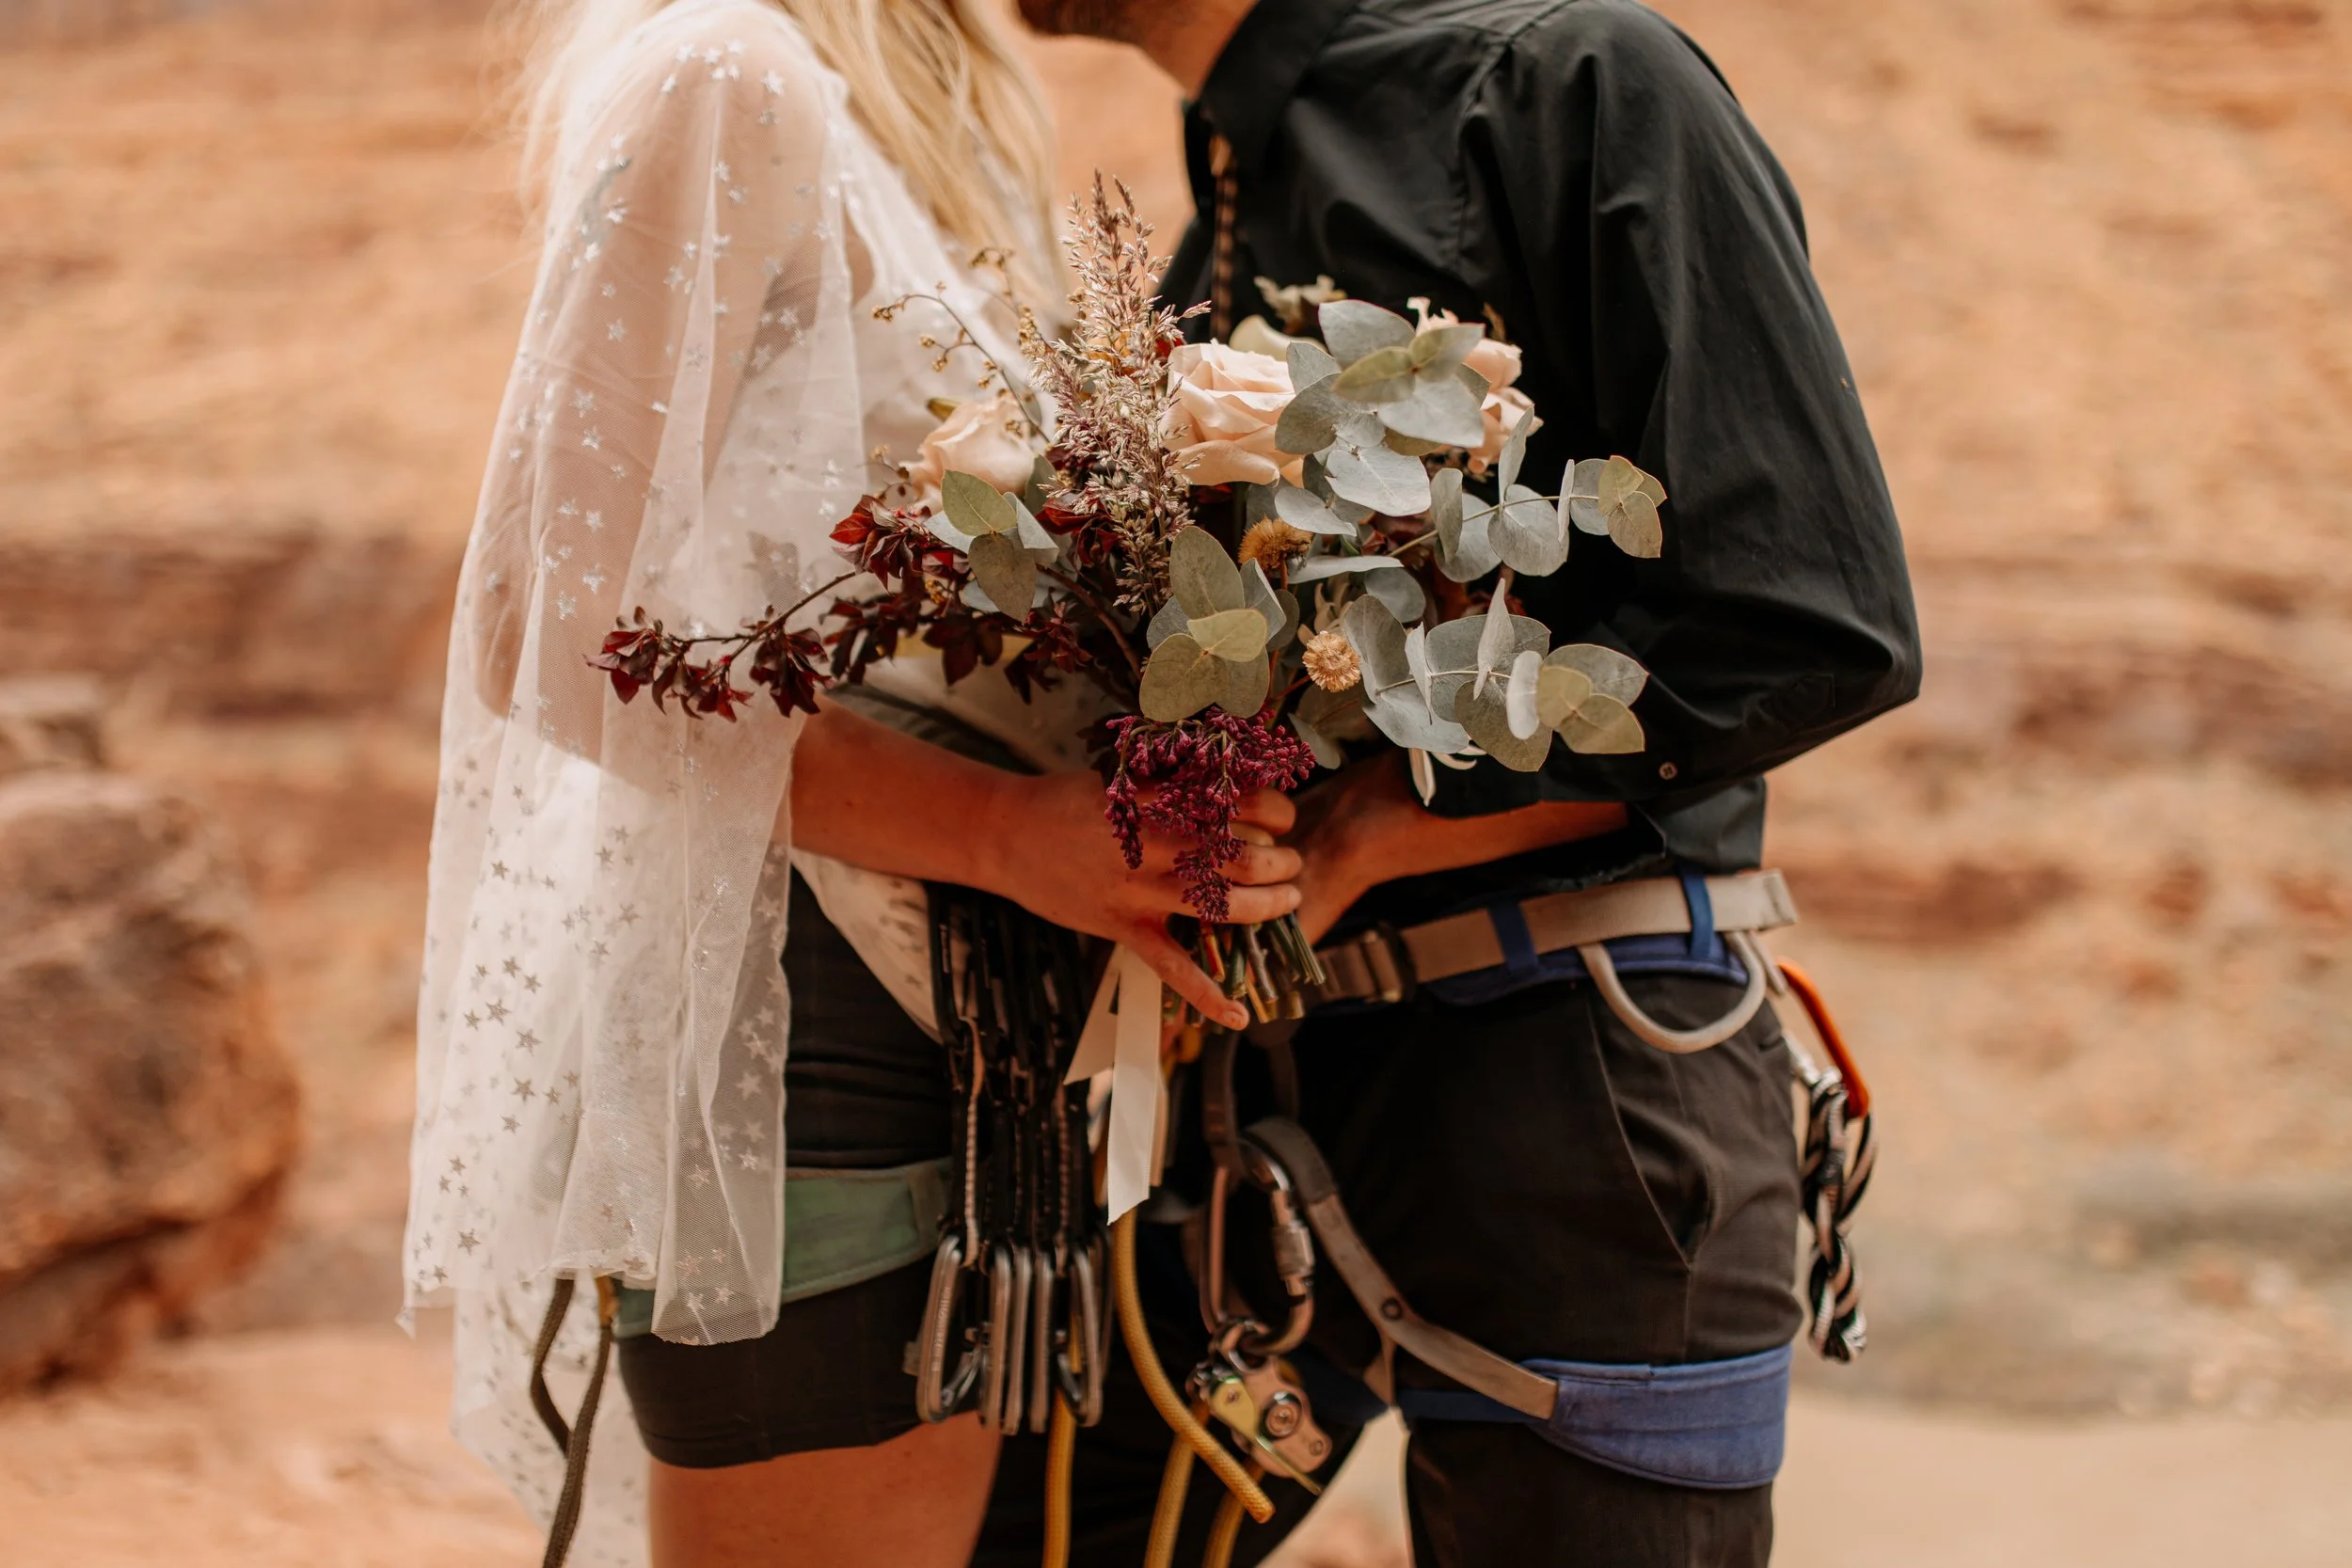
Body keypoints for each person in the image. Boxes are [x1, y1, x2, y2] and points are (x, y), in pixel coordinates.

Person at [979, 1, 1922, 1565]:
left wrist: (1367, 830)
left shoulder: (1576, 84)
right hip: (1264, 1132)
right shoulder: (1221, 193)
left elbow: (1810, 622)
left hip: (1584, 1096)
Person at [401, 3, 1304, 1565]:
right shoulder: (725, 69)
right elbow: (536, 626)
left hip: (963, 1025)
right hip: (805, 1012)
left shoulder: (931, 107)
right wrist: (1009, 831)